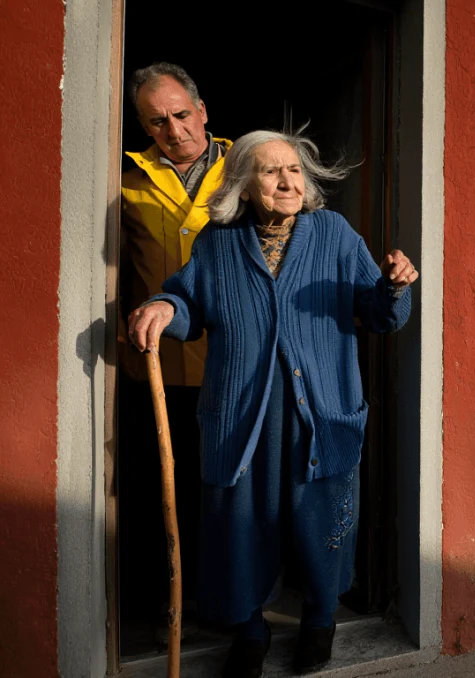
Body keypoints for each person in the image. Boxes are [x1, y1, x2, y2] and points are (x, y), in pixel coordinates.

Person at [127, 130, 419, 677]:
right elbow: (189, 301)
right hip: (242, 412)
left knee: (321, 520)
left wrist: (393, 287)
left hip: (322, 410)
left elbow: (378, 315)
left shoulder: (334, 233)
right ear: (243, 183)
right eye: (270, 172)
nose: (287, 182)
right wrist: (165, 306)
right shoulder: (217, 241)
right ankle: (250, 630)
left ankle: (318, 620)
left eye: (294, 171)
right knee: (240, 524)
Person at [119, 62, 230, 628]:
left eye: (182, 115)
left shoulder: (248, 169)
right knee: (159, 495)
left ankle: (228, 605)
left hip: (232, 369)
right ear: (144, 127)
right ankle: (161, 606)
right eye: (158, 121)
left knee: (225, 495)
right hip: (155, 369)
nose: (174, 130)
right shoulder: (127, 178)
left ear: (203, 110)